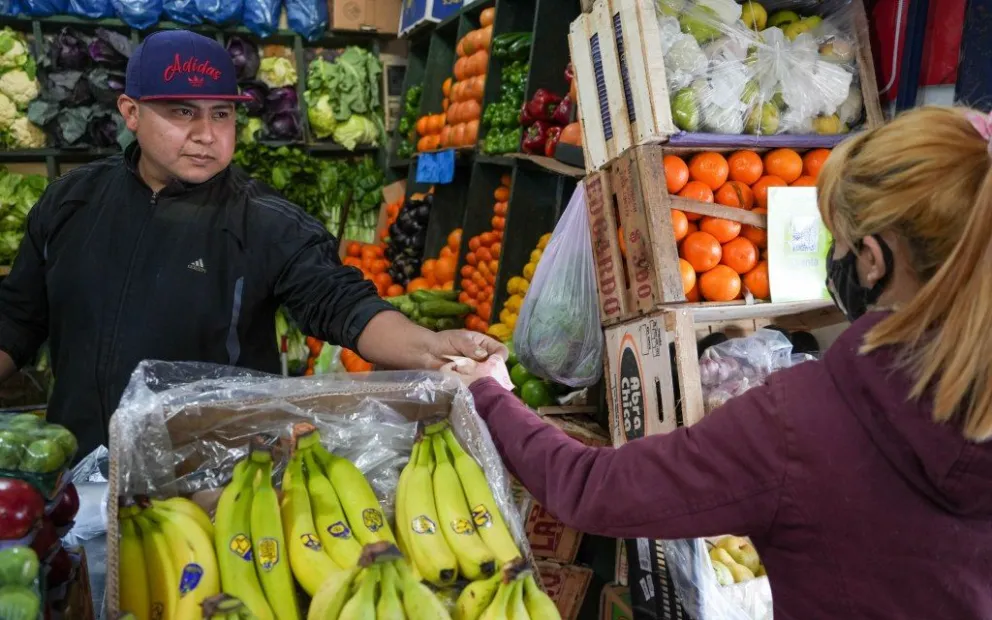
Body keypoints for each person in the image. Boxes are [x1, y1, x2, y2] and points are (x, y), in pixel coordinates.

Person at [444, 106, 992, 619]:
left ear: (873, 259)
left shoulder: (803, 423)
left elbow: (594, 489)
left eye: (839, 240)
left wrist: (490, 394)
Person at [0, 30, 504, 458]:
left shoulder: (264, 221)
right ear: (131, 113)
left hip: (209, 475)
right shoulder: (70, 203)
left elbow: (342, 303)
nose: (206, 134)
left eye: (221, 115)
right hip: (79, 466)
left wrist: (429, 346)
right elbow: (18, 319)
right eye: (182, 112)